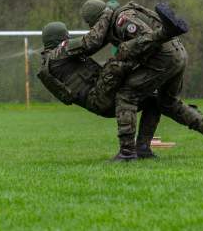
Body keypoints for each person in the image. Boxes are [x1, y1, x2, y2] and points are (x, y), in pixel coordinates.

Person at [63, 0, 203, 160]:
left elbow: (150, 40)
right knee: (166, 102)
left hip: (163, 59)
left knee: (126, 95)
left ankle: (127, 153)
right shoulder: (119, 18)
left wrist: (126, 56)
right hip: (177, 55)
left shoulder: (122, 21)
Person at [37, 21, 178, 159]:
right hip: (101, 97)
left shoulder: (50, 61)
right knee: (124, 56)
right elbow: (93, 40)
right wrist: (107, 14)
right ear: (61, 37)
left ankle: (142, 149)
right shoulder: (60, 52)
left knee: (153, 100)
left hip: (99, 101)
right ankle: (162, 34)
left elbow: (95, 44)